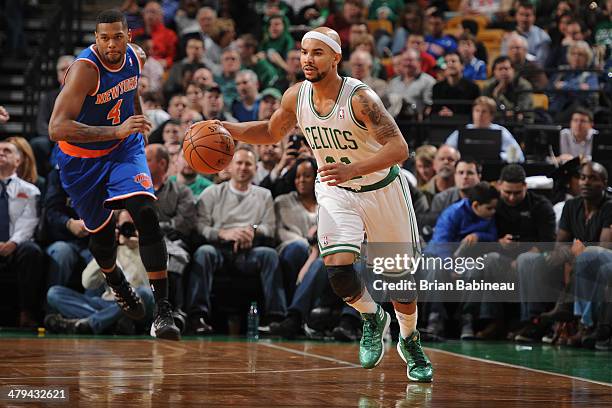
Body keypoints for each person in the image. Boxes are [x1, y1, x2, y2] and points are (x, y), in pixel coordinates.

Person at [219, 27, 433, 382]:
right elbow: (271, 132)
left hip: (382, 189)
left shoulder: (360, 98)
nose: (307, 59)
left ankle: (409, 339)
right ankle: (371, 317)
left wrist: (355, 168)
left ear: (336, 57)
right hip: (336, 188)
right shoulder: (295, 96)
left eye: (317, 52)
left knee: (403, 288)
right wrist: (229, 128)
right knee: (338, 270)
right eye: (304, 51)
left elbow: (399, 150)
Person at [47, 9, 180, 340]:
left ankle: (163, 312)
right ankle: (114, 279)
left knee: (146, 213)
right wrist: (118, 129)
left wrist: (136, 121)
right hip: (81, 161)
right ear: (96, 39)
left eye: (117, 37)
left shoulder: (134, 58)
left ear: (128, 37)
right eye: (104, 38)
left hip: (124, 148)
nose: (111, 44)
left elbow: (129, 88)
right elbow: (56, 128)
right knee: (103, 239)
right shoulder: (85, 70)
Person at [0, 141, 43, 327]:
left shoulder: (30, 190)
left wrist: (13, 243)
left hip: (17, 246)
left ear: (18, 160)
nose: (1, 154)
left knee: (31, 251)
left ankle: (27, 312)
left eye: (6, 151)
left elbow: (30, 221)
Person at [445, 96, 525, 163]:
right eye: (477, 111)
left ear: (491, 115)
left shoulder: (501, 132)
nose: (479, 115)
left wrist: (498, 156)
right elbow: (445, 151)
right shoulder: (462, 131)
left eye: (484, 112)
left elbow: (519, 156)